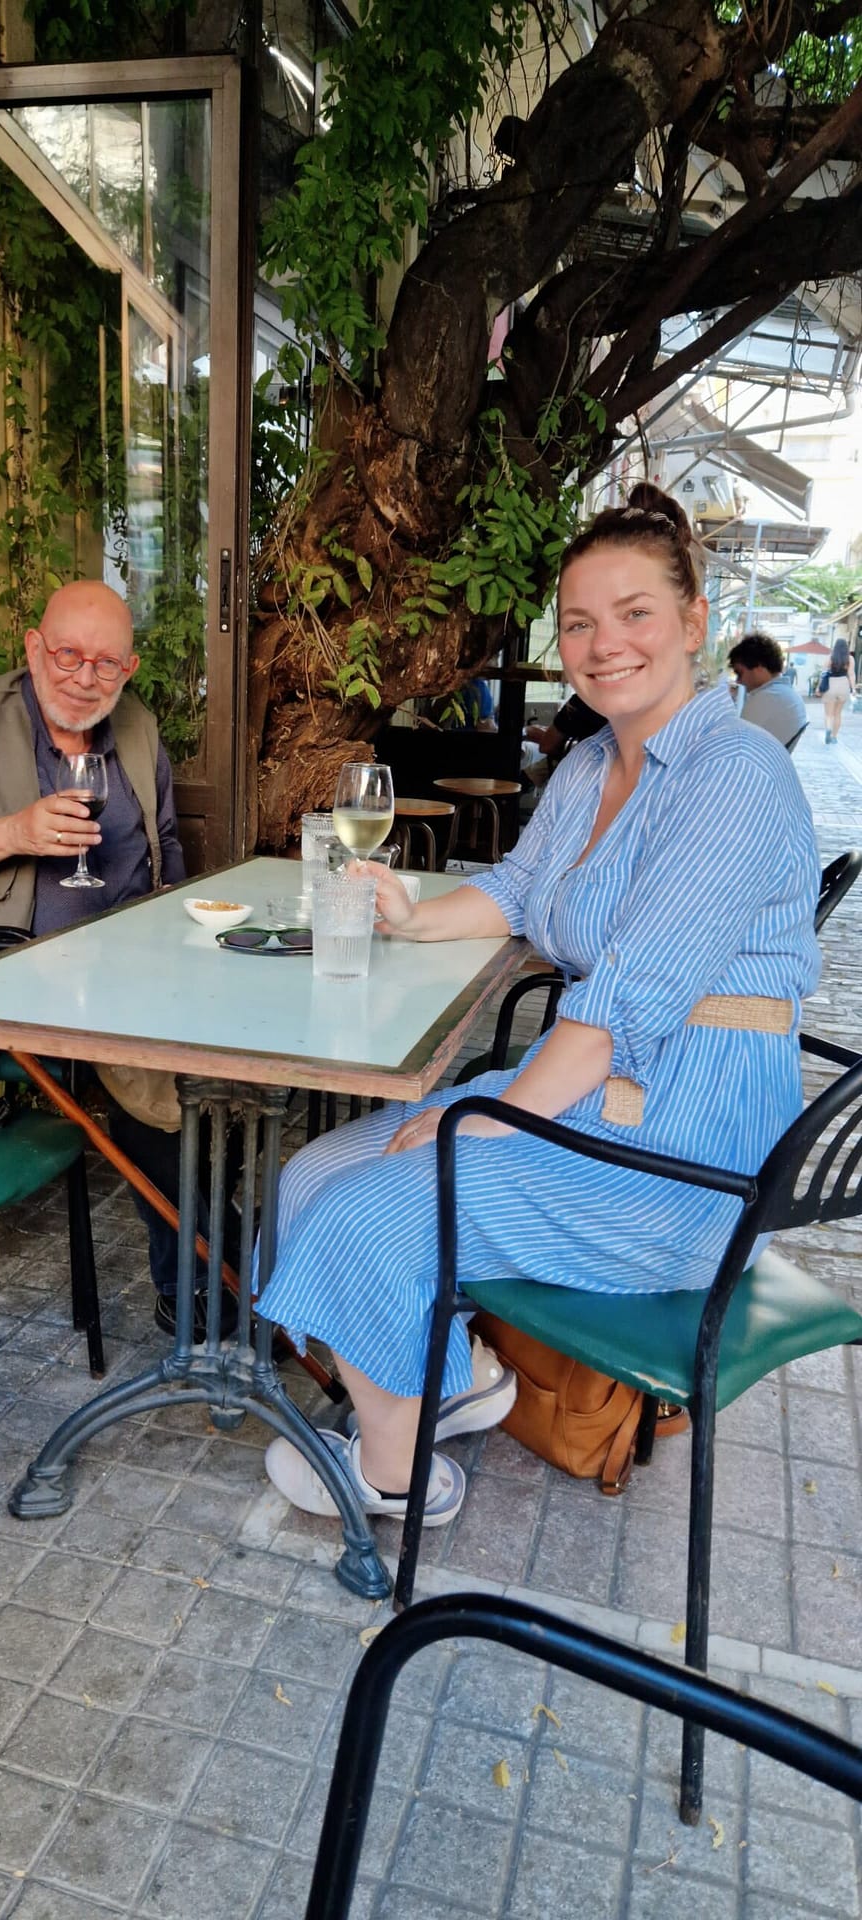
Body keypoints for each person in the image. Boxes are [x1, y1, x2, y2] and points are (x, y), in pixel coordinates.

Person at [259, 484, 821, 1526]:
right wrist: (409, 915)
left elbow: (622, 1004)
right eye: (579, 623)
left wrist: (488, 1118)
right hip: (586, 1096)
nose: (604, 645)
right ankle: (454, 1380)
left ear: (693, 621)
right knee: (310, 1174)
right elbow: (518, 890)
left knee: (376, 1210)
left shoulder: (734, 773)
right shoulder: (592, 763)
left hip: (681, 1148)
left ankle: (398, 1473)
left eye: (635, 613)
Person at [0, 578, 234, 1336]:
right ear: (34, 648)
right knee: (163, 1076)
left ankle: (224, 1240)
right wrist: (14, 834)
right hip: (6, 972)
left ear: (129, 670)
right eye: (68, 655)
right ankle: (203, 1283)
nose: (83, 677)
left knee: (235, 1038)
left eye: (105, 663)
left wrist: (176, 926)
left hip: (132, 960)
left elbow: (163, 843)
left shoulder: (135, 727)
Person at [727, 632, 807, 749]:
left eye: (740, 673)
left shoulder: (767, 698)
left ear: (759, 668)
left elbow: (732, 744)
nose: (738, 681)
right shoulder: (788, 694)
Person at [823, 635, 855, 745]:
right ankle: (834, 736)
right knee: (837, 713)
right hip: (843, 684)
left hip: (830, 684)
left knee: (829, 714)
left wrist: (819, 687)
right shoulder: (850, 659)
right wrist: (853, 689)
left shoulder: (830, 657)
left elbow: (824, 672)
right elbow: (851, 674)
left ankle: (828, 729)